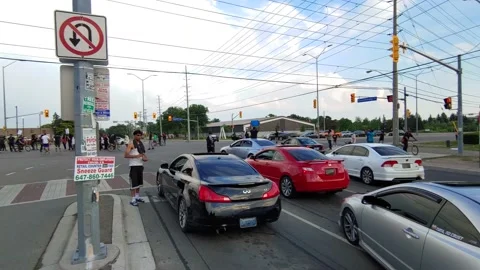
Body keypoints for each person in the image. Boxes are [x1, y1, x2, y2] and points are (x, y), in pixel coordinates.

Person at [124, 130, 148, 207]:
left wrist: (144, 158)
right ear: (134, 136)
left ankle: (137, 196)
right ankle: (133, 199)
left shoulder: (141, 144)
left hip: (140, 165)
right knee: (133, 183)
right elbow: (126, 155)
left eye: (140, 135)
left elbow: (142, 154)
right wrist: (135, 156)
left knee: (139, 183)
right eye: (137, 135)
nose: (139, 136)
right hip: (133, 166)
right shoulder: (131, 145)